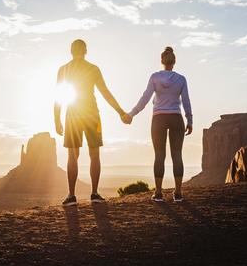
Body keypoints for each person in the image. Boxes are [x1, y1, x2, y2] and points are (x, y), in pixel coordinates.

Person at [54, 39, 130, 206]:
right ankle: (94, 194)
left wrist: (57, 119)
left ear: (71, 51)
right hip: (92, 115)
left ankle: (71, 196)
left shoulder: (63, 69)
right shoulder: (93, 69)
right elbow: (105, 93)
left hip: (72, 114)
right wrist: (121, 112)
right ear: (85, 50)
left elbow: (58, 97)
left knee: (72, 155)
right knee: (94, 154)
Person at [126, 46, 192, 202]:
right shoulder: (181, 79)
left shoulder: (155, 77)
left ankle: (158, 193)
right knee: (177, 155)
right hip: (176, 118)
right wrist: (190, 120)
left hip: (159, 119)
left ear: (162, 61)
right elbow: (186, 101)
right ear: (174, 61)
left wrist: (131, 114)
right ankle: (178, 193)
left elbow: (145, 98)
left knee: (159, 155)